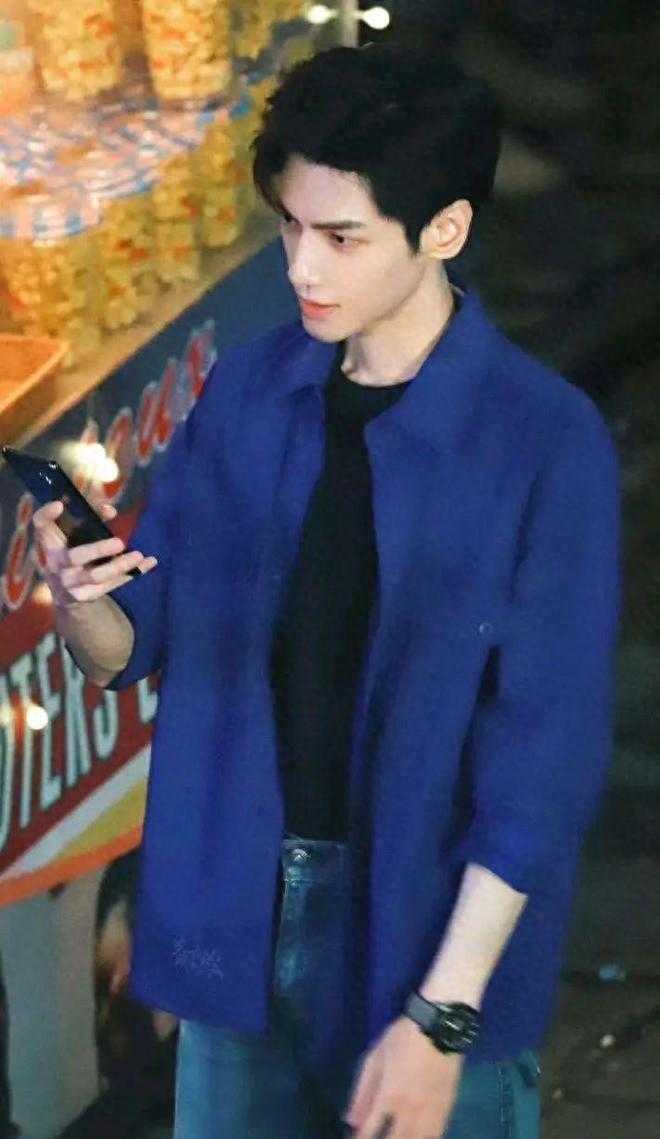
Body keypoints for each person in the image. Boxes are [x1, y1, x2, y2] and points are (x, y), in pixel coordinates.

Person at [32, 45, 620, 1139]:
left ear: (444, 229)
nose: (303, 266)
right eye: (291, 227)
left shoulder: (544, 443)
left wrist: (442, 1016)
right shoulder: (249, 392)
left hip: (422, 938)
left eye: (342, 237)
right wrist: (81, 597)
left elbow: (543, 765)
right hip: (239, 920)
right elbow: (132, 646)